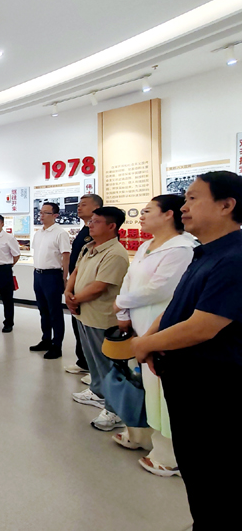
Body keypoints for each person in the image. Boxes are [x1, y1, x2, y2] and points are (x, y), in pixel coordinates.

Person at [131, 172, 242, 530]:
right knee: (197, 469)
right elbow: (179, 305)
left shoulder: (234, 258)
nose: (183, 206)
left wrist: (145, 343)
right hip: (186, 383)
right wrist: (152, 335)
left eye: (193, 198)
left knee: (214, 472)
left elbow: (203, 325)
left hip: (213, 388)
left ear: (226, 205)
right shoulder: (203, 253)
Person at [111, 195, 193, 477]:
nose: (141, 216)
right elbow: (129, 279)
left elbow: (161, 290)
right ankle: (142, 436)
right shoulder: (147, 245)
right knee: (143, 387)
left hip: (161, 330)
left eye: (147, 211)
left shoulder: (182, 249)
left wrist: (121, 302)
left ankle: (169, 455)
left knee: (163, 394)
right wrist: (124, 310)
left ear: (169, 214)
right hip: (138, 327)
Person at [66, 207, 129, 431]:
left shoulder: (116, 253)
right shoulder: (89, 246)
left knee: (107, 366)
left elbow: (100, 287)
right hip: (84, 313)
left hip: (102, 317)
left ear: (111, 226)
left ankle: (115, 410)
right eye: (90, 221)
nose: (90, 224)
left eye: (96, 221)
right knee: (92, 360)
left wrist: (74, 300)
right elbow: (75, 272)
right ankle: (98, 392)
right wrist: (68, 292)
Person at [64, 194, 103, 378]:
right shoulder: (84, 230)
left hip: (88, 287)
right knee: (79, 326)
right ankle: (83, 361)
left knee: (92, 330)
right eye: (79, 205)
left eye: (84, 205)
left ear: (96, 208)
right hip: (77, 284)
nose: (79, 207)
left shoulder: (98, 233)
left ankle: (95, 369)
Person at [29, 202, 71, 359]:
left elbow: (65, 256)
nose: (41, 215)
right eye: (40, 212)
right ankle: (46, 339)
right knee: (43, 310)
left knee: (55, 312)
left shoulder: (60, 233)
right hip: (38, 274)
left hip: (52, 275)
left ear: (55, 215)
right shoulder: (38, 233)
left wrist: (65, 278)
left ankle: (57, 345)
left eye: (45, 213)